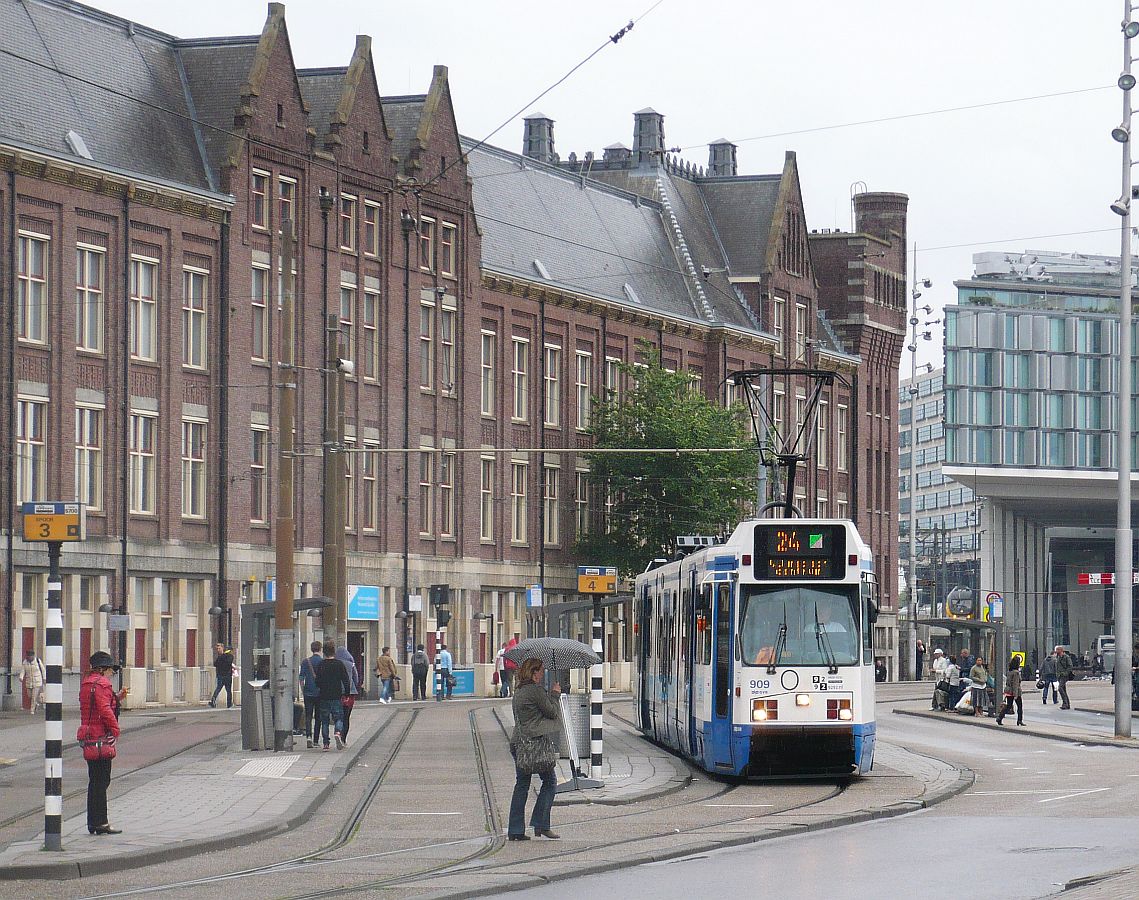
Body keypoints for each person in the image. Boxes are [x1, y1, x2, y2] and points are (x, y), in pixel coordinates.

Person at [507, 657, 562, 841]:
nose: (542, 674)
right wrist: (554, 694)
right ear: (534, 672)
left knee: (522, 784)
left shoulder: (519, 691)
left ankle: (515, 830)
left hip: (519, 743)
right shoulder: (535, 691)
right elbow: (552, 712)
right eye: (541, 671)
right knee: (550, 781)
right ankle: (541, 824)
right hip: (534, 745)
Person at [78, 651, 124, 835]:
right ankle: (101, 822)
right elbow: (104, 711)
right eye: (111, 669)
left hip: (88, 736)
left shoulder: (86, 683)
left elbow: (94, 706)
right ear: (103, 669)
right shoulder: (103, 684)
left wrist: (117, 698)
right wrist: (116, 730)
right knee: (102, 780)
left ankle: (93, 822)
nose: (112, 673)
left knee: (94, 780)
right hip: (101, 738)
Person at [314, 641, 351, 750]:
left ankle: (326, 743)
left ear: (324, 652)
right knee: (339, 718)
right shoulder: (339, 664)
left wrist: (321, 686)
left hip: (324, 696)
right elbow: (346, 680)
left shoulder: (321, 664)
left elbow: (317, 681)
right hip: (336, 695)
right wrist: (347, 694)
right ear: (334, 651)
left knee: (324, 720)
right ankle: (338, 732)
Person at [299, 640, 323, 748]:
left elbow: (301, 678)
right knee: (318, 717)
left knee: (308, 715)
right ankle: (316, 740)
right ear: (320, 649)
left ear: (311, 649)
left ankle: (308, 736)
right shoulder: (322, 662)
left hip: (308, 692)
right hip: (320, 693)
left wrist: (303, 690)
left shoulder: (306, 661)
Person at [334, 645, 360, 743]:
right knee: (346, 716)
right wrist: (354, 686)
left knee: (338, 715)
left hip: (338, 692)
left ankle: (338, 731)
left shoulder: (335, 663)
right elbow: (356, 678)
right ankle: (343, 739)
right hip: (350, 693)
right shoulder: (351, 664)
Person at [996, 657, 1025, 726]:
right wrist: (1016, 695)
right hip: (1015, 691)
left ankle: (1000, 717)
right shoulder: (1016, 673)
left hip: (1009, 691)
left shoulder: (1010, 671)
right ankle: (1019, 720)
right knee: (1019, 706)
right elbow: (1015, 684)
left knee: (1008, 706)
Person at [18, 648, 45, 715]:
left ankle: (32, 710)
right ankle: (36, 704)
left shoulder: (38, 661)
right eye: (28, 656)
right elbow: (23, 671)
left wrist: (44, 678)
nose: (29, 657)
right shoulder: (25, 662)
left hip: (37, 681)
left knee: (34, 696)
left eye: (30, 656)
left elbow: (43, 670)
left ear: (33, 656)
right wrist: (21, 677)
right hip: (29, 681)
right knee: (29, 695)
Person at [209, 642, 234, 708]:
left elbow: (217, 664)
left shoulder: (223, 656)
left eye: (219, 648)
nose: (218, 650)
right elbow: (216, 664)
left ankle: (215, 700)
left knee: (222, 689)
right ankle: (228, 703)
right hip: (225, 675)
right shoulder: (228, 656)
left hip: (223, 675)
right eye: (217, 649)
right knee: (224, 689)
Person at [1054, 645, 1074, 710]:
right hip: (1059, 676)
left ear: (1061, 650)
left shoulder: (1066, 657)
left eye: (1057, 650)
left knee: (1060, 688)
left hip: (1064, 675)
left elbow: (1070, 666)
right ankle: (1067, 704)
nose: (1056, 651)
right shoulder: (1058, 657)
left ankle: (1065, 703)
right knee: (1063, 690)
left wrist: (1065, 673)